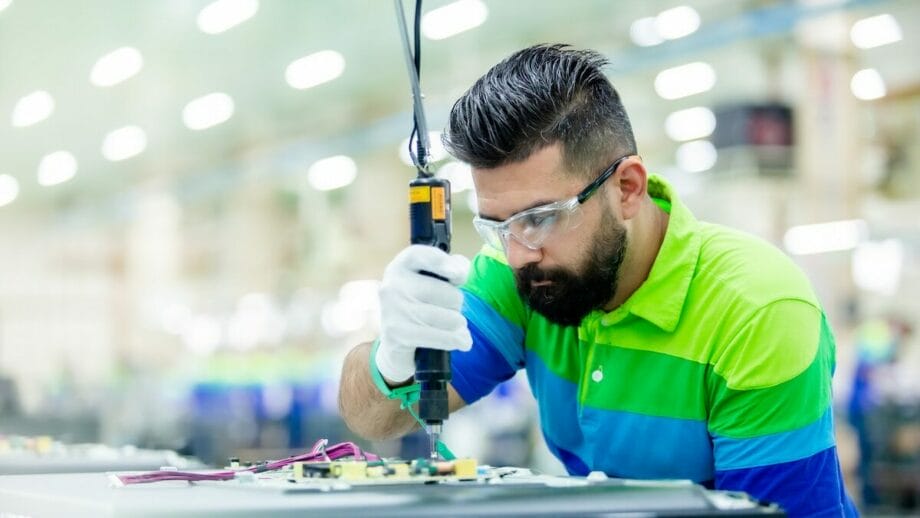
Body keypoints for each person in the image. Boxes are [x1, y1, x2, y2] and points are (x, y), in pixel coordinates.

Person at [338, 44, 856, 516]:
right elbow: (374, 419)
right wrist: (393, 360)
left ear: (627, 188)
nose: (519, 254)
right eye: (497, 226)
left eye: (540, 218)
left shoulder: (757, 311)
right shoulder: (522, 273)